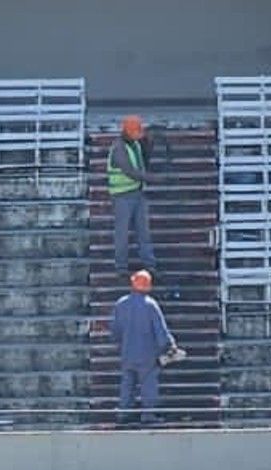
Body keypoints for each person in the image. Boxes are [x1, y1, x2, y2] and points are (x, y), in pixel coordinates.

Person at [110, 269, 176, 426]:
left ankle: (124, 413)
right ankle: (148, 415)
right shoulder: (151, 305)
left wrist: (120, 345)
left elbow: (114, 331)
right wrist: (169, 346)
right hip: (148, 355)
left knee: (127, 383)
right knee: (148, 384)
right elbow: (161, 331)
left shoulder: (121, 304)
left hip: (127, 353)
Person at [107, 115, 155, 273]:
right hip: (122, 196)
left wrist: (149, 142)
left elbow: (143, 162)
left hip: (137, 193)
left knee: (143, 232)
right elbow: (129, 171)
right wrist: (150, 178)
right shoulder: (119, 148)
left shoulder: (135, 144)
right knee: (122, 233)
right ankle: (121, 266)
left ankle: (149, 264)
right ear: (127, 132)